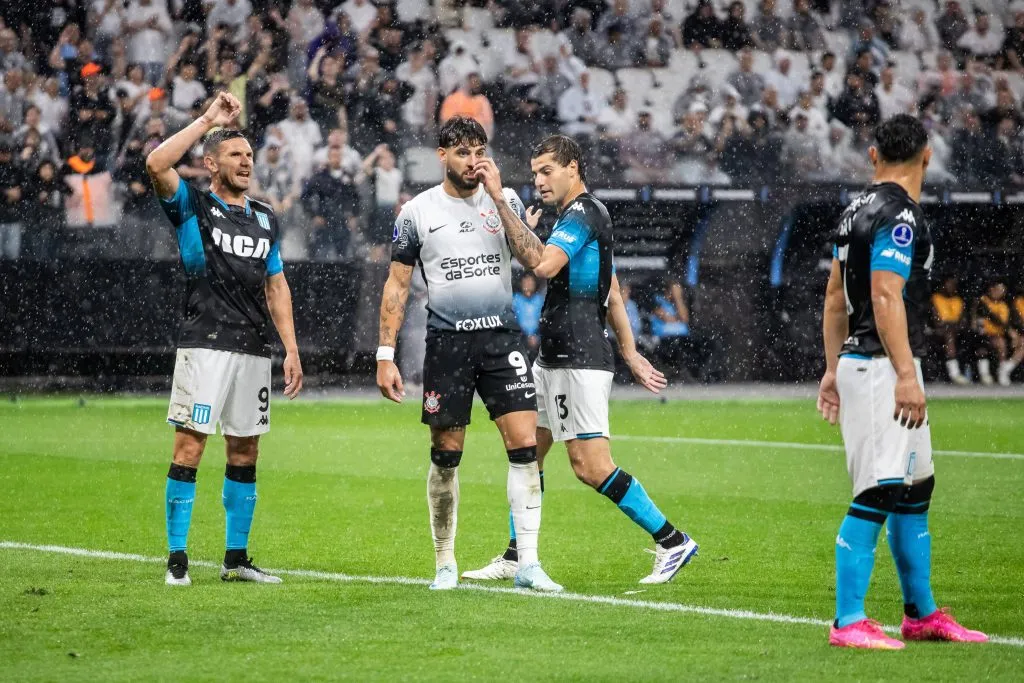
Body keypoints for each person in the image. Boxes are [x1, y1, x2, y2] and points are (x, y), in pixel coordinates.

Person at [463, 135, 696, 586]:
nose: (539, 180)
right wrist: (630, 352)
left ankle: (672, 540)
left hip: (579, 358)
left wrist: (500, 200)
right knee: (526, 455)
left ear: (573, 168)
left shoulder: (584, 214)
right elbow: (610, 288)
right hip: (553, 359)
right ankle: (517, 554)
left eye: (547, 170)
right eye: (534, 173)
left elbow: (542, 266)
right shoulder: (574, 218)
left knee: (590, 467)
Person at [817, 115, 987, 649]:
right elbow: (886, 295)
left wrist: (828, 367)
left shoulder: (855, 209)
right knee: (880, 488)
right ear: (928, 155)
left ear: (873, 156)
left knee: (915, 489)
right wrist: (907, 373)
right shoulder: (900, 214)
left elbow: (833, 296)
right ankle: (848, 622)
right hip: (880, 366)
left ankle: (921, 614)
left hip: (868, 361)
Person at [375, 116, 561, 593]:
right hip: (448, 345)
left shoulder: (508, 199)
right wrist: (384, 353)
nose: (473, 161)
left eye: (480, 151)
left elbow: (534, 260)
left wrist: (500, 199)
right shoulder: (417, 212)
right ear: (442, 156)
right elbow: (396, 285)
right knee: (446, 456)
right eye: (463, 152)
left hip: (502, 340)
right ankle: (444, 563)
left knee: (524, 451)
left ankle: (529, 564)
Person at [146, 91, 304, 587]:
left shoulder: (264, 217)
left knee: (245, 450)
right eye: (236, 155)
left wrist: (291, 348)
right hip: (205, 343)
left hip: (254, 347)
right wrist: (208, 121)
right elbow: (156, 162)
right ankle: (177, 560)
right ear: (211, 164)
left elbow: (276, 284)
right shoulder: (192, 205)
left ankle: (236, 560)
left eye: (250, 156)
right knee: (190, 446)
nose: (246, 162)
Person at [974, 281, 1023, 386]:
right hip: (981, 334)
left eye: (1002, 291)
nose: (1000, 293)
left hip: (998, 335)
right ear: (991, 289)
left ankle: (1004, 371)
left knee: (1018, 343)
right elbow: (989, 317)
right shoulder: (982, 300)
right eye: (998, 289)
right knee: (992, 343)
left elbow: (1002, 323)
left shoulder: (1003, 305)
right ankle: (985, 374)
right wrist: (1008, 330)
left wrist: (1012, 334)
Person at [931, 276, 970, 384]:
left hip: (957, 331)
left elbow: (963, 322)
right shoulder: (935, 298)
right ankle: (954, 373)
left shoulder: (959, 301)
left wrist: (951, 325)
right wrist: (949, 324)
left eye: (954, 284)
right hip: (939, 332)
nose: (951, 287)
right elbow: (937, 321)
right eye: (949, 283)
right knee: (949, 336)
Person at [513, 272, 543, 355]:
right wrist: (527, 336)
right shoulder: (515, 300)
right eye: (526, 282)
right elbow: (514, 320)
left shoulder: (539, 300)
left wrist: (536, 336)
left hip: (538, 339)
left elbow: (543, 320)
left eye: (531, 282)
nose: (528, 284)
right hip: (520, 338)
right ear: (521, 284)